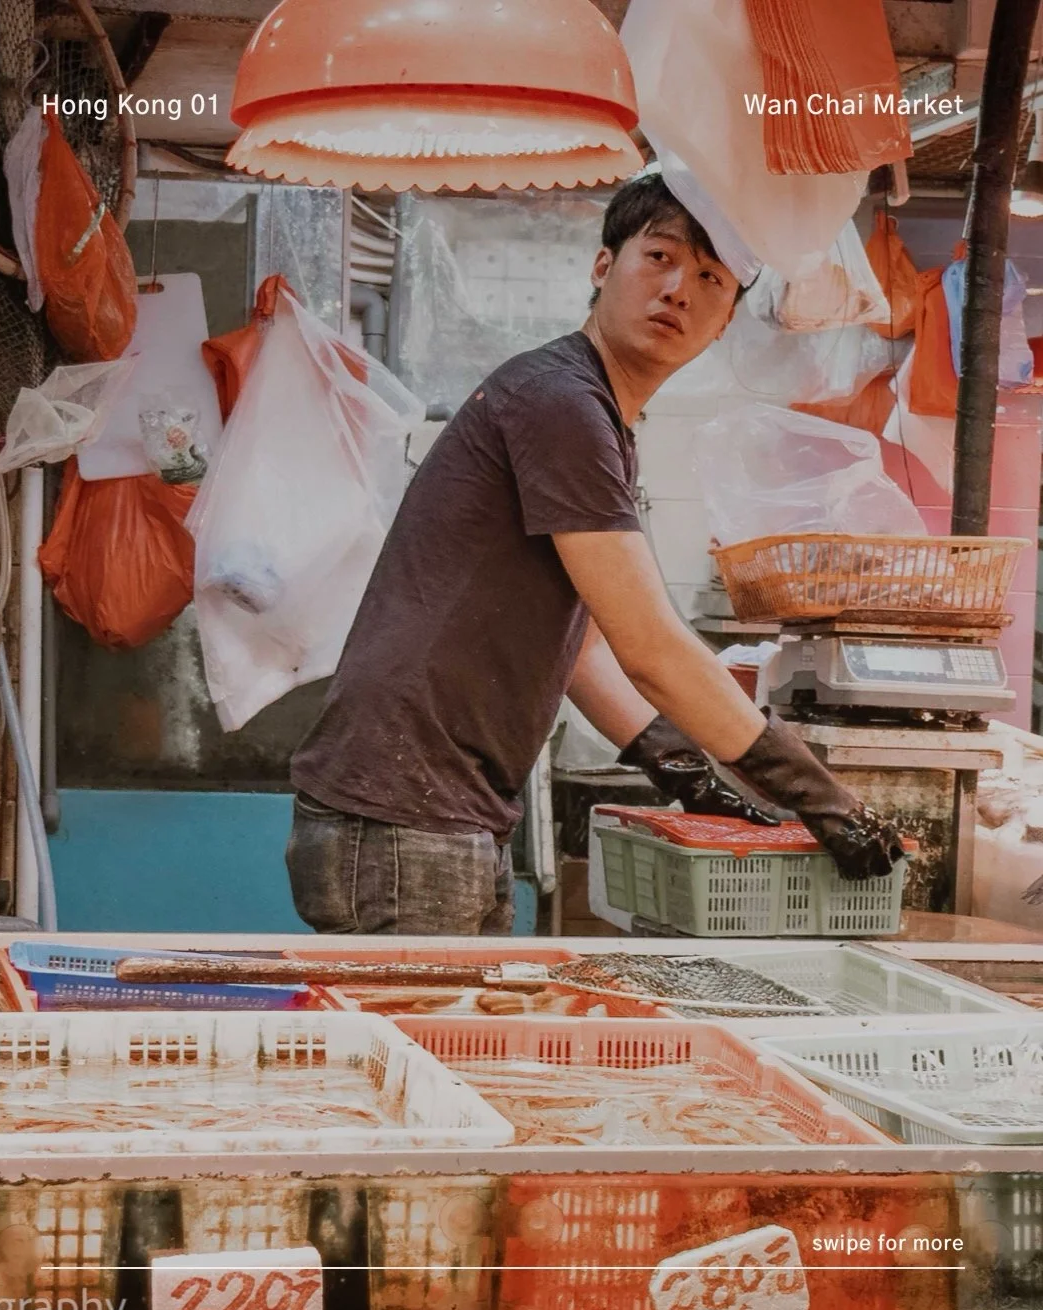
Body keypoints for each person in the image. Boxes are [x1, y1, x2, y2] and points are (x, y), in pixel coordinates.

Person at [287, 173, 903, 935]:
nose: (679, 290)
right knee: (434, 1043)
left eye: (709, 279)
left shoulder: (592, 413)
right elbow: (650, 647)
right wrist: (817, 794)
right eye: (660, 257)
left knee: (461, 1043)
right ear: (603, 267)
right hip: (405, 815)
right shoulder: (563, 403)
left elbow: (578, 645)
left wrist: (674, 762)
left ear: (722, 325)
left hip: (431, 810)